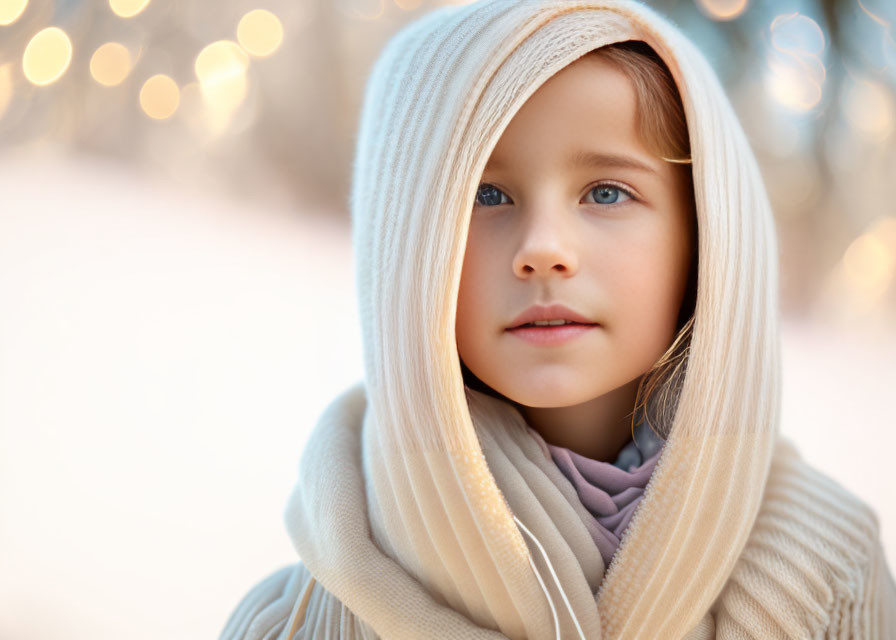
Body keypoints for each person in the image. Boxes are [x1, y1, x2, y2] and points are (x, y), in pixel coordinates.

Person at [219, 1, 896, 638]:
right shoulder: (304, 619)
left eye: (606, 192)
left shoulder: (823, 572)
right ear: (404, 245)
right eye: (486, 194)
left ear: (706, 238)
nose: (543, 248)